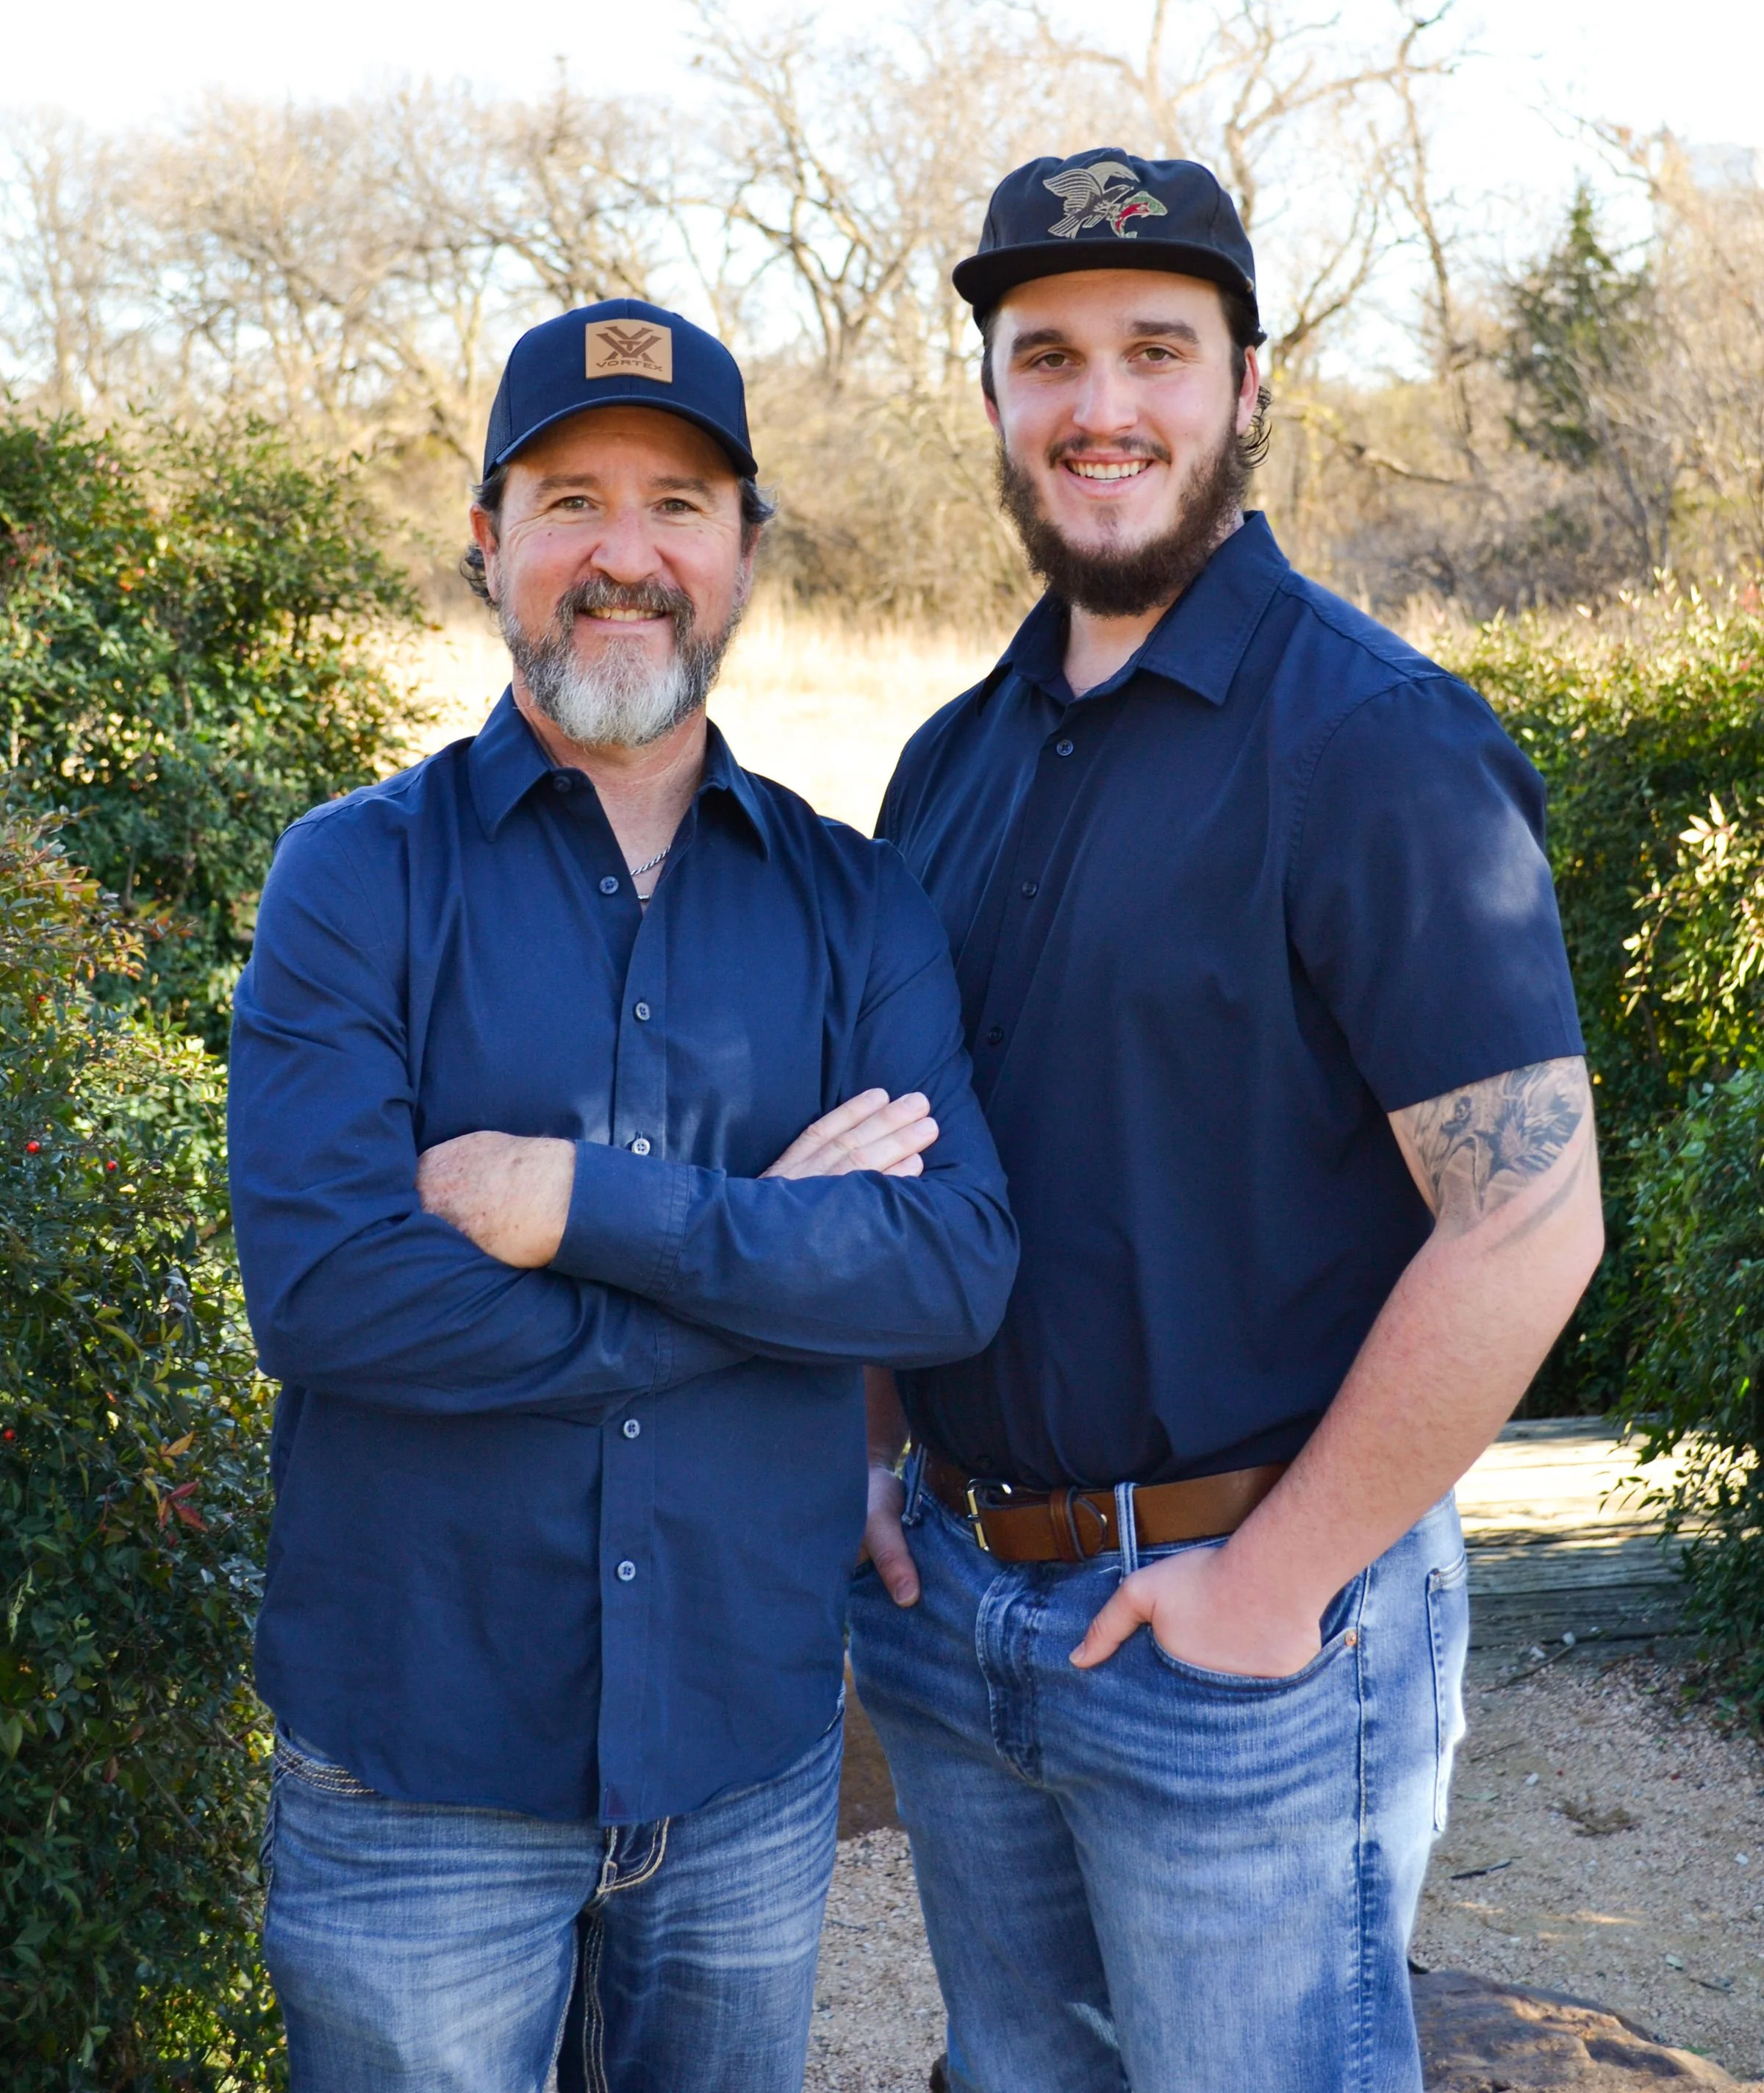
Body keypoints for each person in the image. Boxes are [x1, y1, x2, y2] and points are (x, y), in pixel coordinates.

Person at [849, 154, 1603, 2093]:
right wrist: (868, 1452)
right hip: (954, 1615)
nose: (1104, 406)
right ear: (1000, 402)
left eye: (1158, 350)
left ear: (1251, 385)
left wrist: (1275, 1588)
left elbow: (1530, 1220)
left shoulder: (1373, 744)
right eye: (1051, 357)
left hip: (1245, 1630)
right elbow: (898, 1156)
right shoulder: (947, 767)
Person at [228, 298, 1016, 2093]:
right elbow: (333, 1296)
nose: (624, 554)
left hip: (744, 1763)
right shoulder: (351, 883)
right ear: (488, 542)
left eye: (679, 503)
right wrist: (778, 1271)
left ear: (744, 553)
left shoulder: (860, 904)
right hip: (418, 1770)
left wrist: (573, 1200)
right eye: (571, 497)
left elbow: (955, 1270)